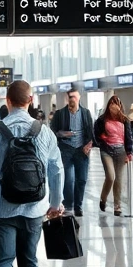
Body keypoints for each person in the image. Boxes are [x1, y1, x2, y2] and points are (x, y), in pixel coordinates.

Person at [0, 80, 64, 267]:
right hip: (34, 208)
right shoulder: (45, 132)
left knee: (3, 261)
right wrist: (56, 202)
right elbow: (57, 169)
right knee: (29, 261)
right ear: (30, 101)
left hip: (1, 207)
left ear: (7, 101)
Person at [49, 89, 94, 217]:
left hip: (81, 150)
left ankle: (78, 206)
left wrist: (89, 144)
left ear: (79, 97)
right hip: (66, 148)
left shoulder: (85, 113)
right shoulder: (60, 113)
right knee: (68, 179)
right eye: (70, 96)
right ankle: (68, 205)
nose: (72, 98)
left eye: (74, 96)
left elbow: (90, 131)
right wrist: (62, 134)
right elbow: (53, 131)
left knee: (82, 179)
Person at [95, 96, 133, 216]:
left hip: (120, 151)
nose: (114, 105)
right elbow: (96, 134)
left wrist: (129, 153)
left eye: (116, 103)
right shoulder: (102, 120)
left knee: (119, 179)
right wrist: (101, 141)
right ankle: (103, 198)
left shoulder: (125, 120)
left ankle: (117, 205)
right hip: (106, 150)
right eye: (112, 103)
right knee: (110, 177)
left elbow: (129, 137)